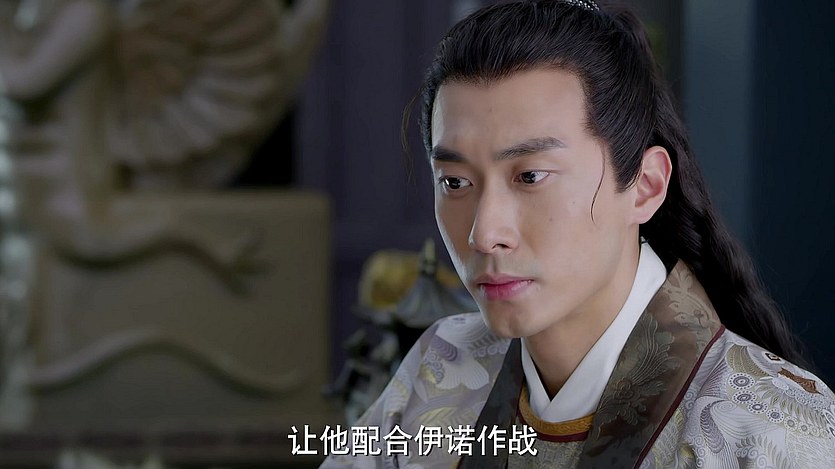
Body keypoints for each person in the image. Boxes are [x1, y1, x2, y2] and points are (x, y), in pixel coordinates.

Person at [321, 0, 835, 467]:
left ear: (645, 186)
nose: (485, 233)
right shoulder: (443, 369)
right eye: (455, 182)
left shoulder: (772, 434)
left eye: (530, 176)